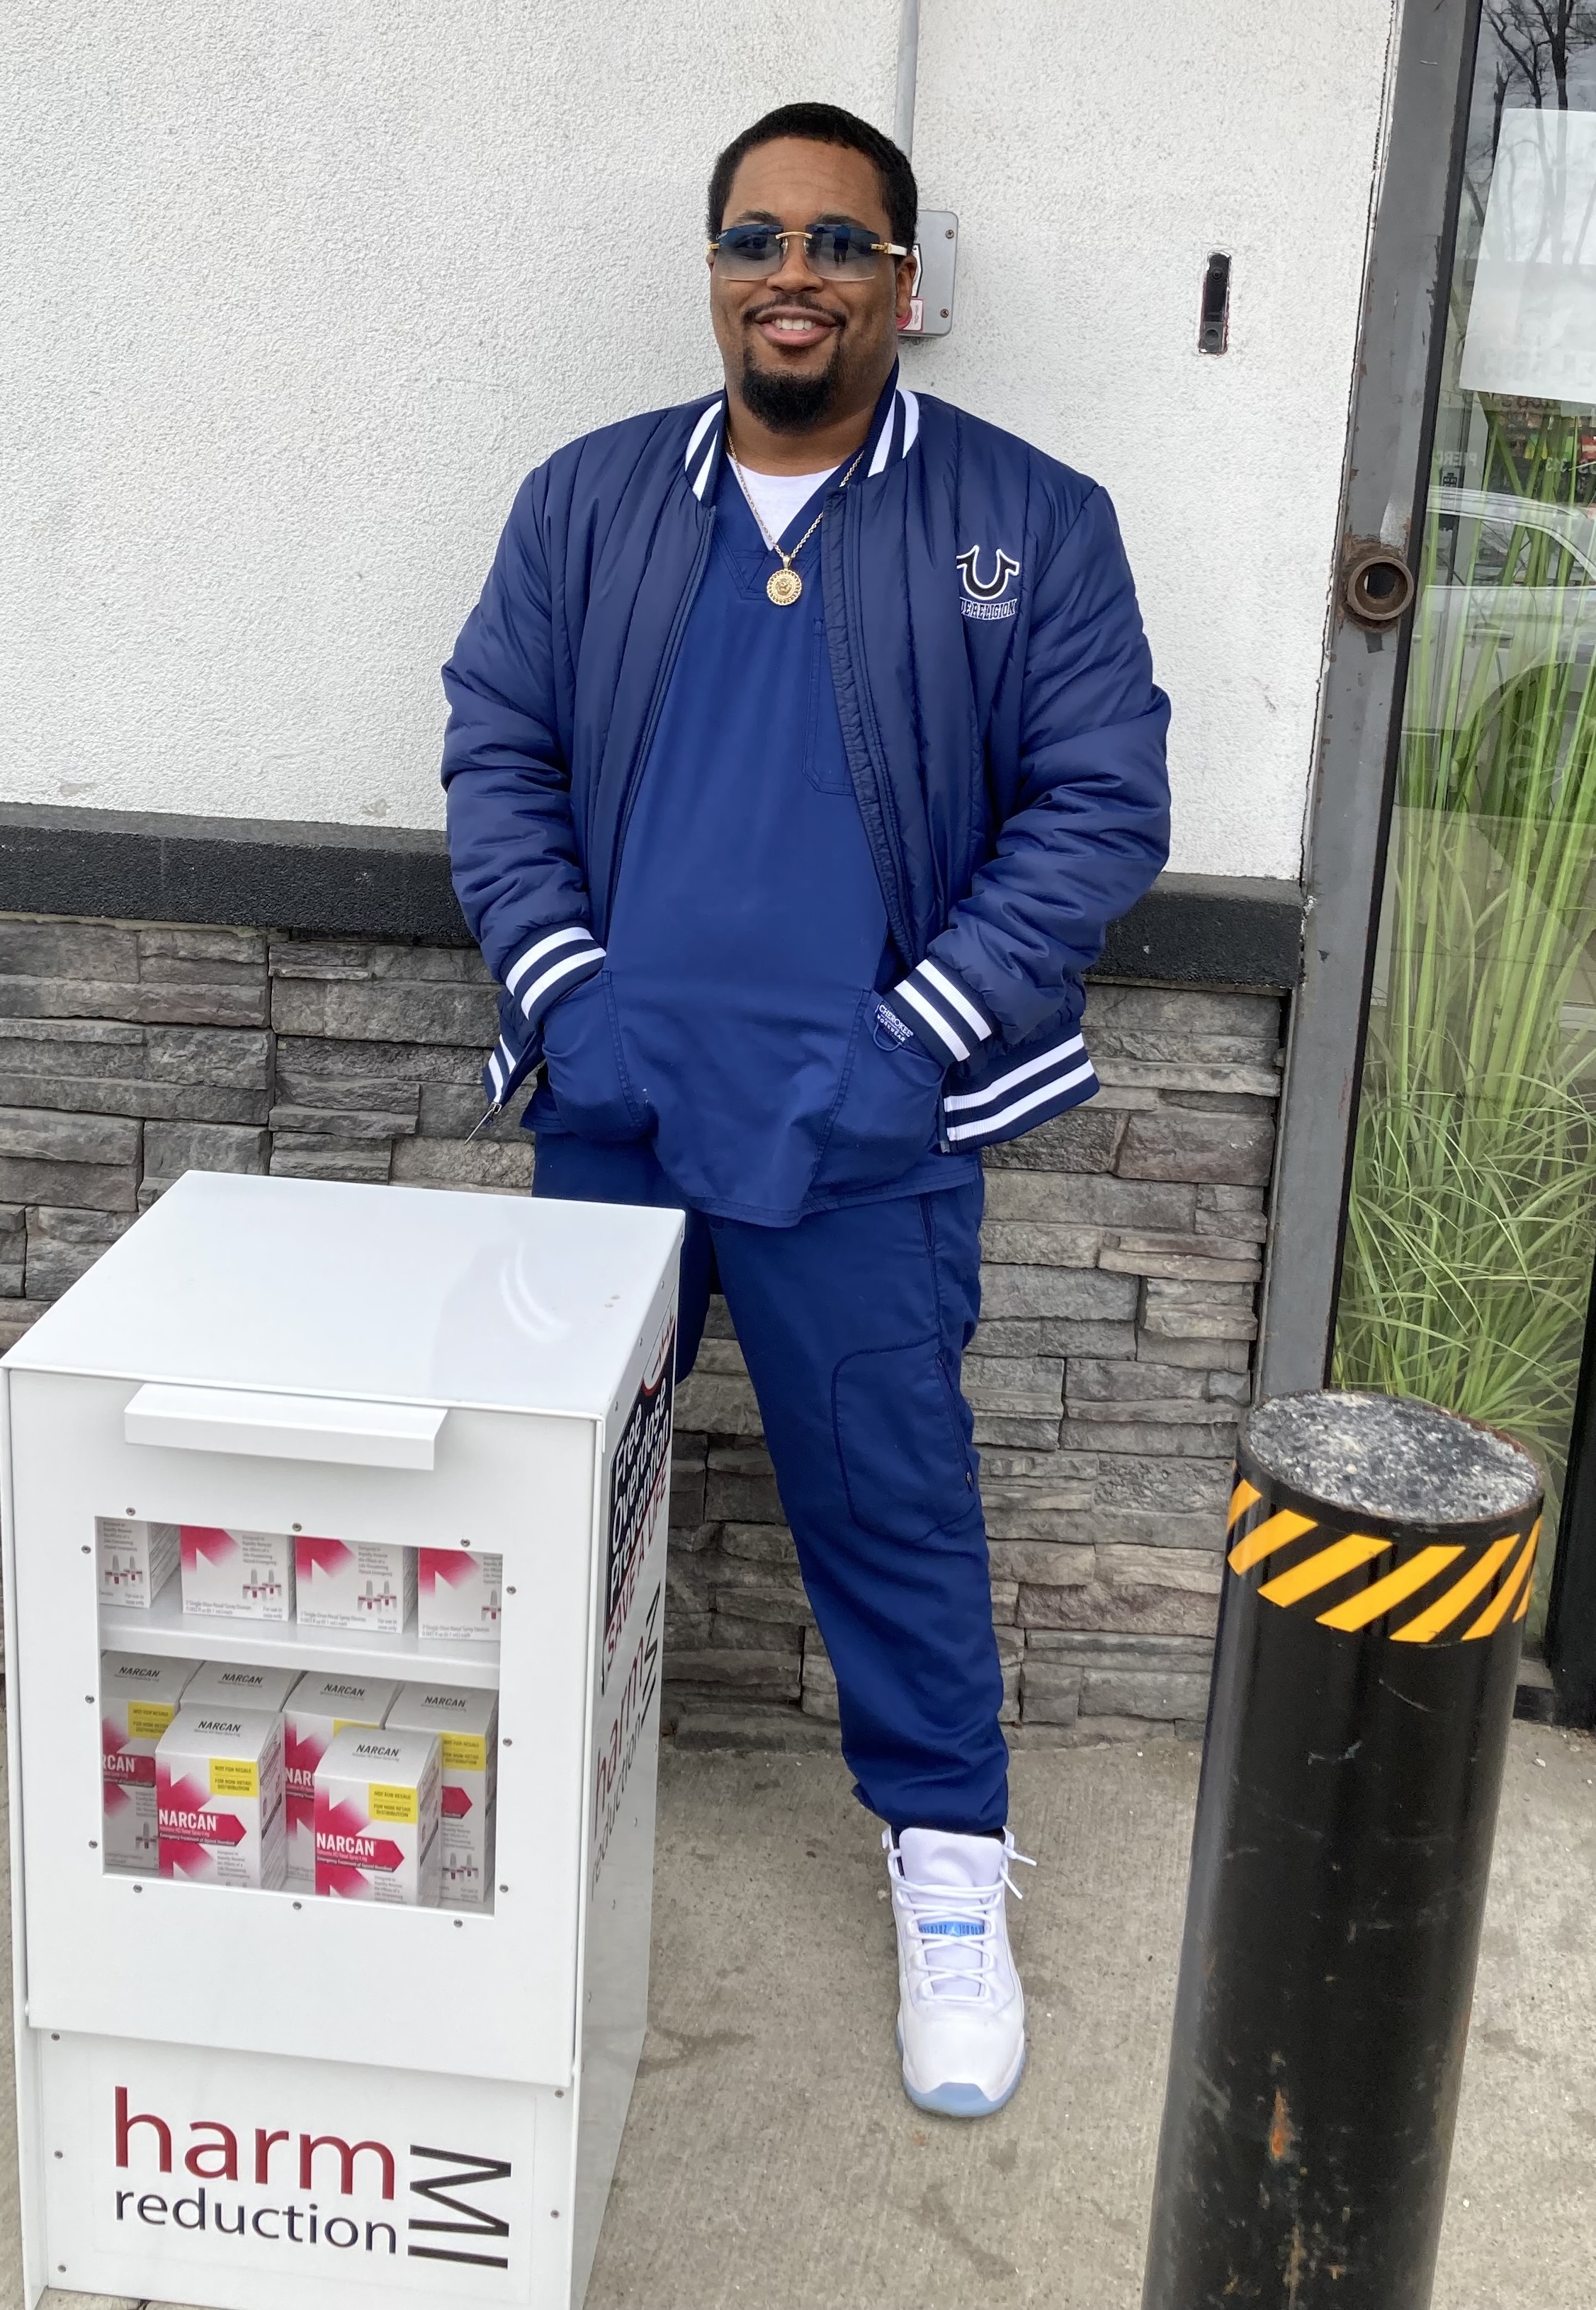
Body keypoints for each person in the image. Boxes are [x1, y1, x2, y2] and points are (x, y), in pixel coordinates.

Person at [441, 101, 1170, 2119]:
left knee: (892, 1507)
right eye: (757, 238)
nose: (794, 274)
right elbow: (495, 749)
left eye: (838, 245)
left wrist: (914, 1035)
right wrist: (568, 995)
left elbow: (1104, 800)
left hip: (869, 1128)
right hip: (619, 1109)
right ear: (713, 269)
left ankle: (947, 1869)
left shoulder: (1030, 518)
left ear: (901, 287)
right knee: (544, 1505)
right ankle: (502, 1852)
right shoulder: (587, 502)